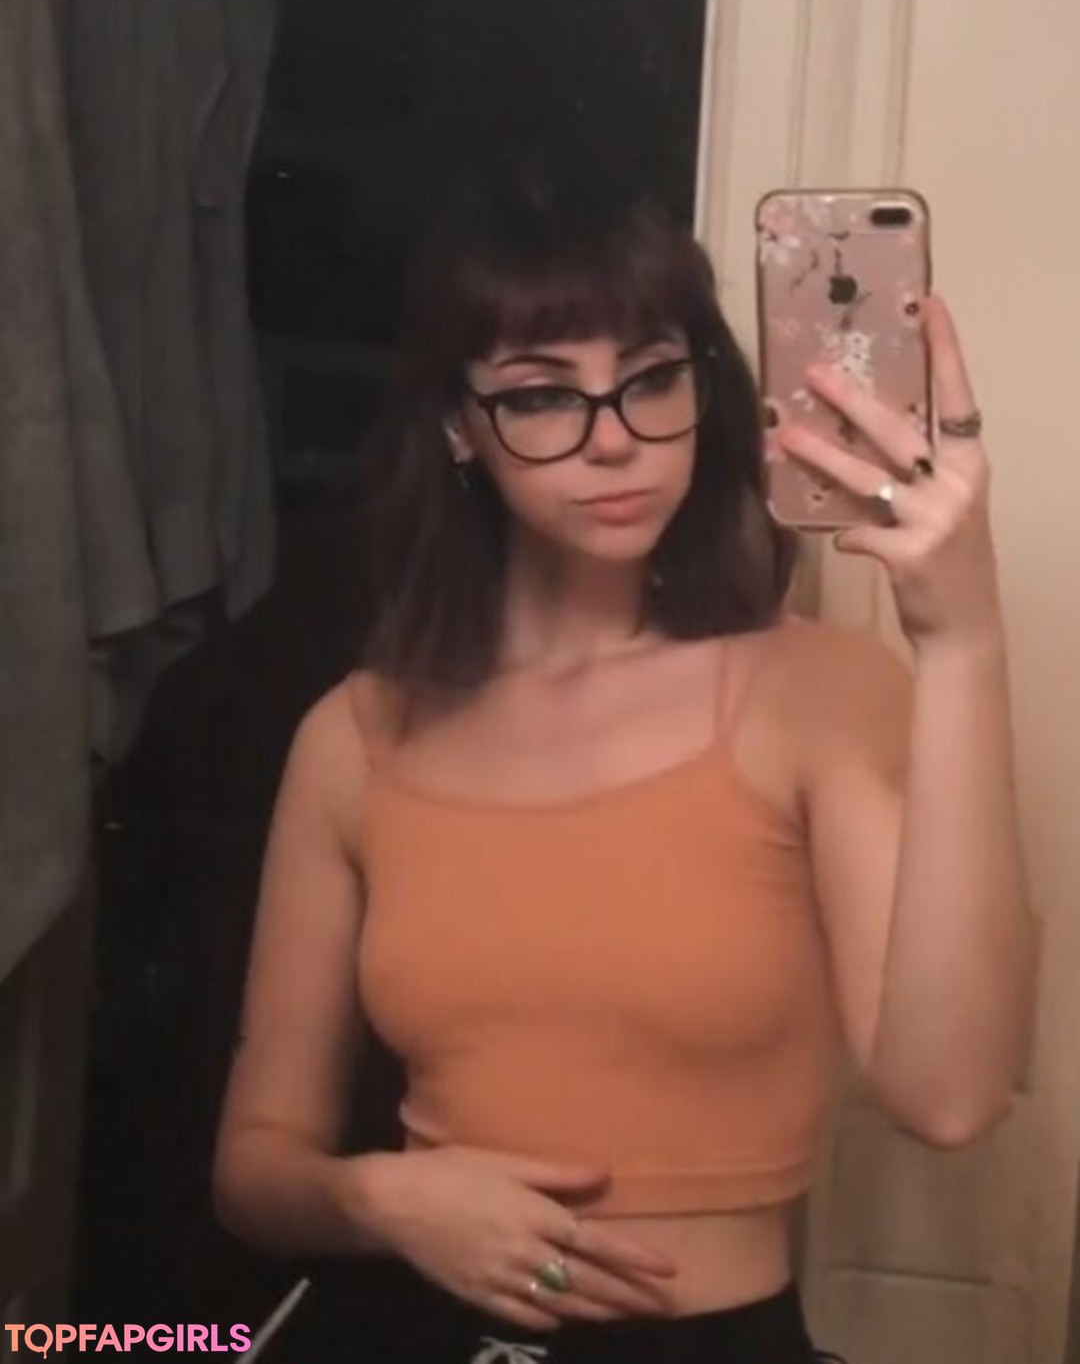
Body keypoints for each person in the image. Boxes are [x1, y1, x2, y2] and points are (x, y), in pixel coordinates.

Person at [213, 170, 1035, 1364]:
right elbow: (255, 1165)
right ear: (458, 425)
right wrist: (381, 1199)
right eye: (543, 396)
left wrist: (963, 641)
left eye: (651, 379)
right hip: (405, 1329)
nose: (614, 441)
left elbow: (949, 1097)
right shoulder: (354, 738)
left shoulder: (816, 695)